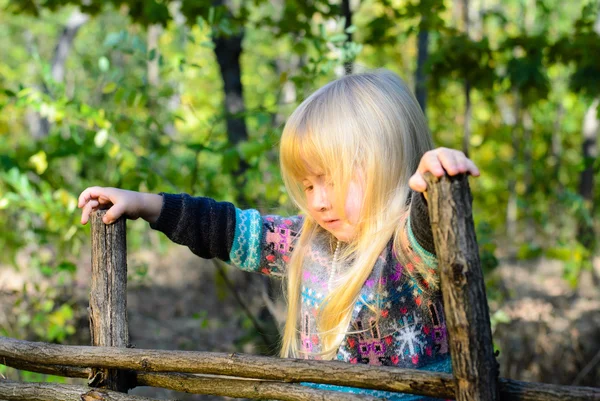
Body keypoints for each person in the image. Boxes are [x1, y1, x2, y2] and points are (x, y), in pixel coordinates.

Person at [78, 69, 479, 400]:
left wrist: (433, 180)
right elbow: (224, 228)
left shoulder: (406, 251)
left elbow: (430, 230)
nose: (318, 202)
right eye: (308, 186)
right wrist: (148, 204)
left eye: (331, 180)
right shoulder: (310, 241)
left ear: (388, 165)